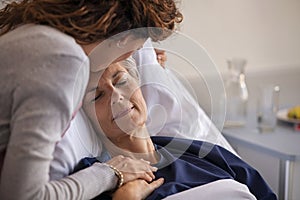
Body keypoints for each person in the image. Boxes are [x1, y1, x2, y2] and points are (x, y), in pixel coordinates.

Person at [0, 0, 183, 199]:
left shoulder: (28, 36)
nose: (133, 55)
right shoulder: (62, 61)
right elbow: (24, 196)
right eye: (136, 48)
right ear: (122, 38)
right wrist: (111, 173)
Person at [80, 58, 277, 200]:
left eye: (121, 81)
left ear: (140, 86)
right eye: (97, 96)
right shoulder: (95, 179)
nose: (116, 96)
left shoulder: (202, 153)